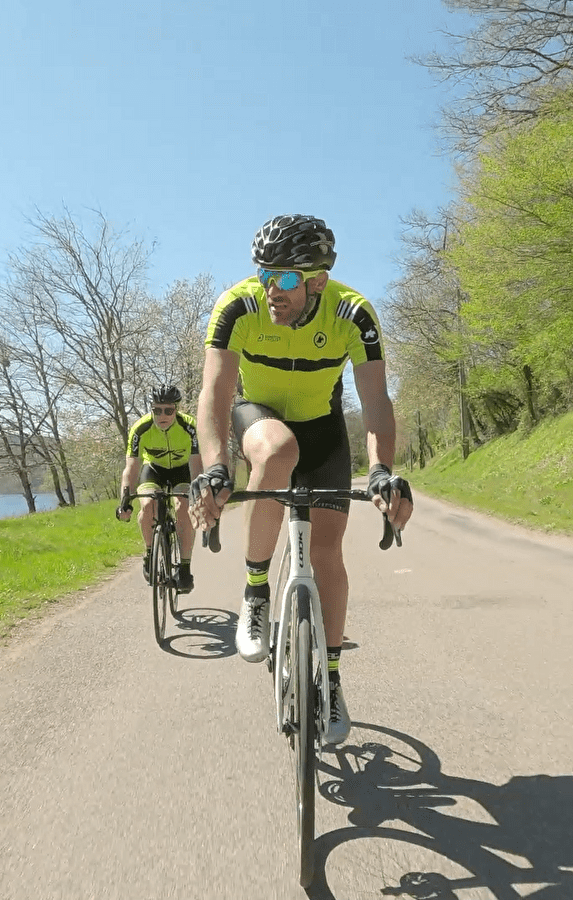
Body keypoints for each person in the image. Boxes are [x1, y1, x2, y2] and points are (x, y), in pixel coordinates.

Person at [190, 213, 414, 745]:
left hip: (324, 427)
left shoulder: (352, 312)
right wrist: (217, 464)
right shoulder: (237, 306)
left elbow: (376, 399)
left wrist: (381, 470)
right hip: (259, 415)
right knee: (277, 451)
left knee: (328, 553)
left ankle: (331, 679)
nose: (273, 289)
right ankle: (256, 590)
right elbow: (215, 395)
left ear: (317, 280)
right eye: (266, 275)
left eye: (286, 278)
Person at [118, 385, 203, 593]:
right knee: (147, 506)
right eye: (157, 410)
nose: (162, 415)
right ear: (151, 409)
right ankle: (149, 555)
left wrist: (197, 495)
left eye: (168, 410)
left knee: (183, 507)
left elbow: (196, 466)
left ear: (176, 409)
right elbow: (131, 468)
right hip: (153, 469)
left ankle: (184, 568)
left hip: (182, 470)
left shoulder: (190, 426)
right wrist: (124, 501)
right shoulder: (140, 429)